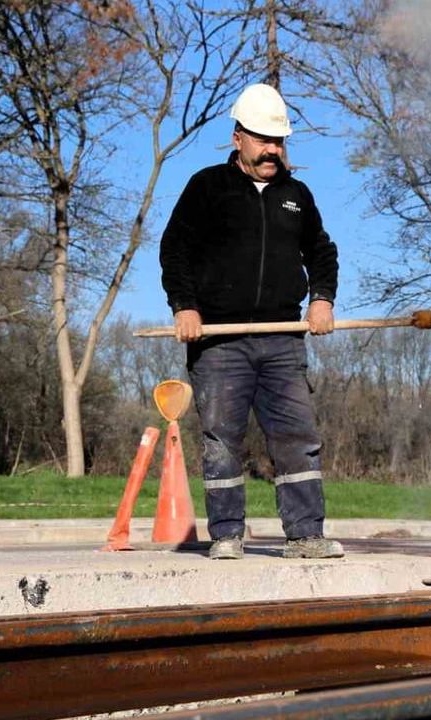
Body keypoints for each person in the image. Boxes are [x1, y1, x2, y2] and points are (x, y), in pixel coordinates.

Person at [159, 83, 343, 561]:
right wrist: (184, 306)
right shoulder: (207, 187)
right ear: (238, 138)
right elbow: (175, 250)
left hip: (283, 339)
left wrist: (322, 300)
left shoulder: (296, 195)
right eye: (263, 139)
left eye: (278, 141)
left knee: (298, 438)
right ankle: (226, 535)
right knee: (222, 439)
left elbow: (321, 252)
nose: (272, 150)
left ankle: (305, 535)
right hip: (220, 343)